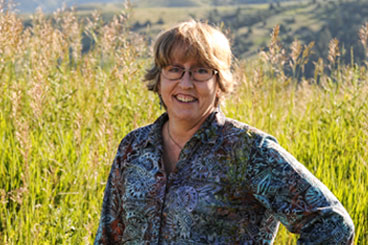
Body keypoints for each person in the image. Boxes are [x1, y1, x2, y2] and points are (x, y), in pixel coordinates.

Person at [94, 20, 354, 244]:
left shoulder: (249, 151)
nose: (185, 83)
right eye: (174, 69)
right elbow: (109, 236)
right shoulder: (134, 147)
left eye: (201, 71)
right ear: (159, 77)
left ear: (219, 83)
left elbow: (331, 223)